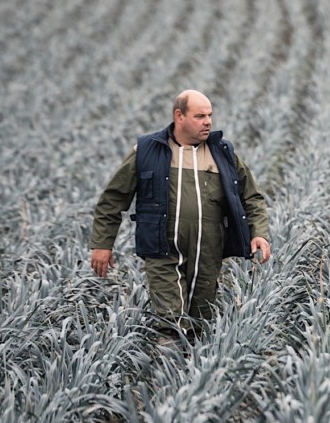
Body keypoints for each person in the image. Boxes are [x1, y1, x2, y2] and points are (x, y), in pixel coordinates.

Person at [89, 89, 271, 341]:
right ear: (179, 116)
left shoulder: (223, 153)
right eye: (199, 116)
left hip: (208, 252)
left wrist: (259, 233)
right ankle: (167, 371)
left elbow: (251, 196)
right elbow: (113, 199)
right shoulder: (147, 151)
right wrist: (102, 243)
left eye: (210, 115)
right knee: (170, 320)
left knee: (200, 320)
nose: (208, 122)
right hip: (162, 249)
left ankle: (194, 376)